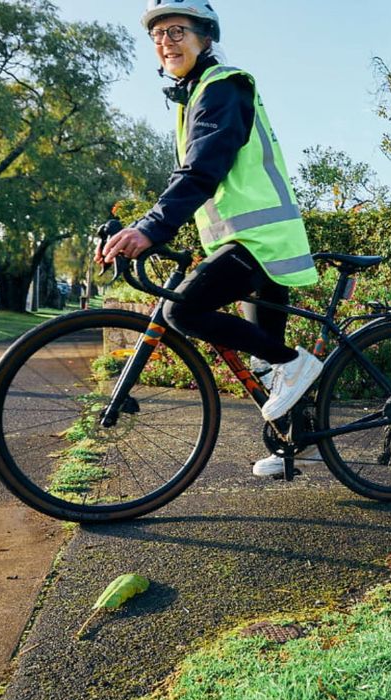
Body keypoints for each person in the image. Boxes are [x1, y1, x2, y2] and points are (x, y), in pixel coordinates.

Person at [95, 0, 323, 477]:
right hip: (246, 239)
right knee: (268, 365)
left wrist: (151, 228)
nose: (166, 42)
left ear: (205, 37)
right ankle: (291, 446)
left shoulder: (223, 87)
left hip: (260, 239)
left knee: (182, 311)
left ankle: (296, 362)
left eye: (177, 31)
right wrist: (145, 225)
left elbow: (201, 170)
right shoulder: (198, 92)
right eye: (157, 35)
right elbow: (191, 178)